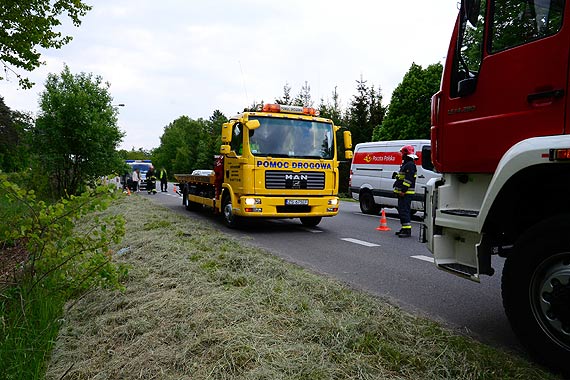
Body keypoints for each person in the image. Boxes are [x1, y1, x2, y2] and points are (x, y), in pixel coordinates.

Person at [392, 145, 418, 238]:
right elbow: (402, 178)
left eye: (402, 153)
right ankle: (404, 228)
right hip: (403, 193)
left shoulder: (410, 165)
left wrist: (403, 190)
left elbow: (408, 180)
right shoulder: (406, 164)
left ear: (406, 153)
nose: (401, 155)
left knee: (404, 211)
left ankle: (407, 230)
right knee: (402, 211)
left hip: (406, 193)